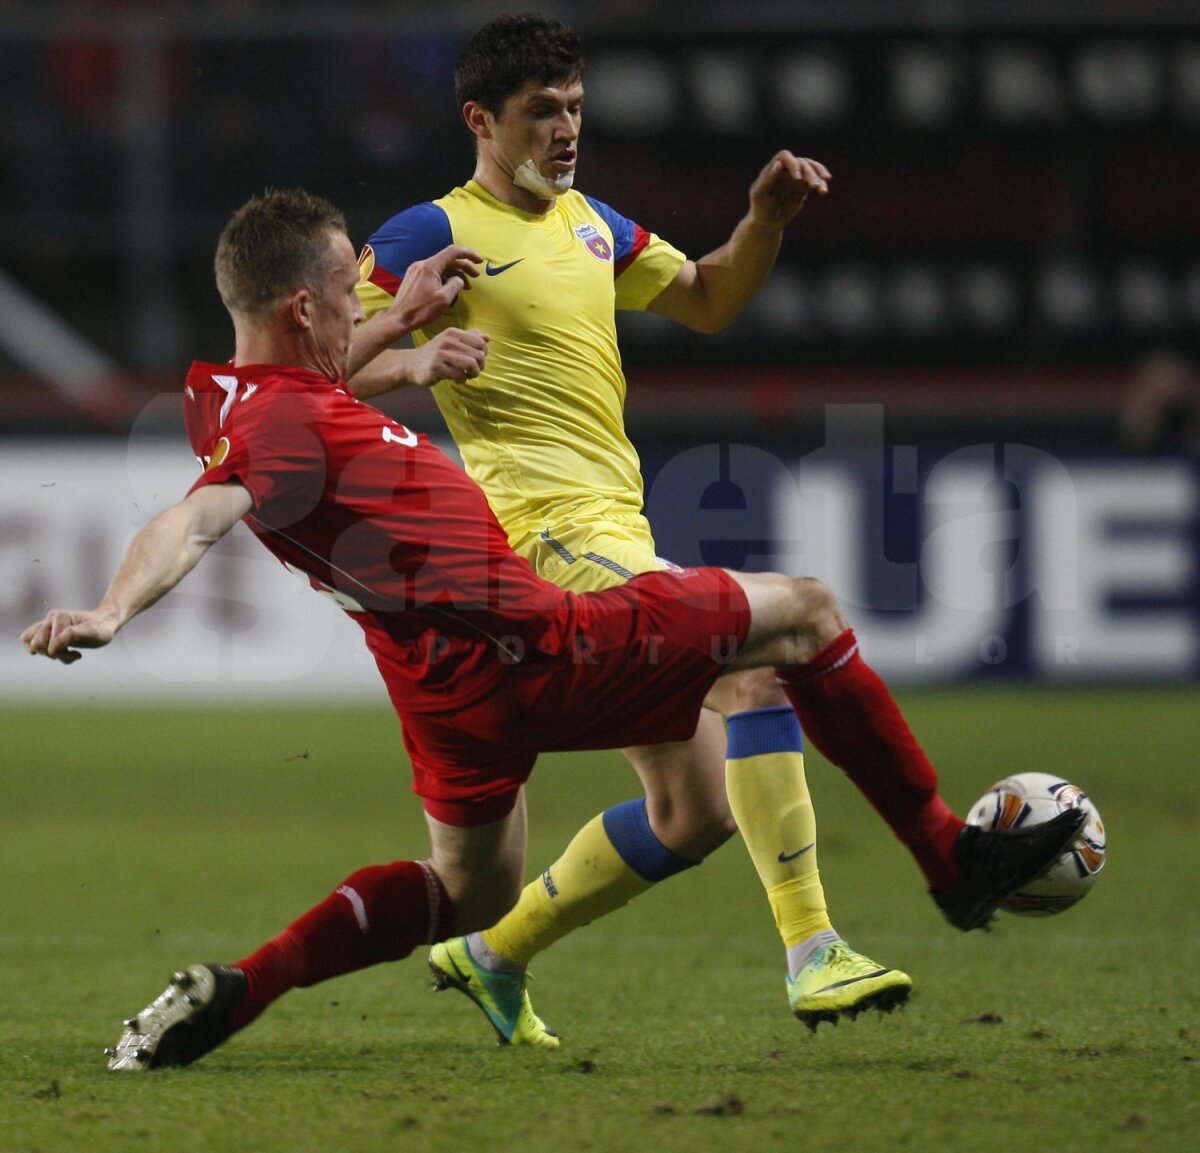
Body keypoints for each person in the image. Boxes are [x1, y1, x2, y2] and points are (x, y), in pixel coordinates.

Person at [22, 189, 1085, 1071]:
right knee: (802, 616)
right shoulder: (280, 426)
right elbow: (195, 519)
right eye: (355, 291)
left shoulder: (233, 394)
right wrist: (113, 610)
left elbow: (297, 398)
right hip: (541, 642)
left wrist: (401, 329)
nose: (369, 303)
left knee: (469, 891)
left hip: (441, 690)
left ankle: (243, 987)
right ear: (304, 306)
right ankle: (946, 857)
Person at [349, 12, 892, 1046]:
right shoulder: (430, 230)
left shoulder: (593, 222)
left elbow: (706, 298)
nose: (565, 129)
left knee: (696, 809)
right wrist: (413, 361)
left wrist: (763, 220)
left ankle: (492, 953)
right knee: (754, 661)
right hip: (542, 538)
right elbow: (318, 366)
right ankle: (816, 949)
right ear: (481, 120)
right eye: (541, 111)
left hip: (616, 528)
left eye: (577, 108)